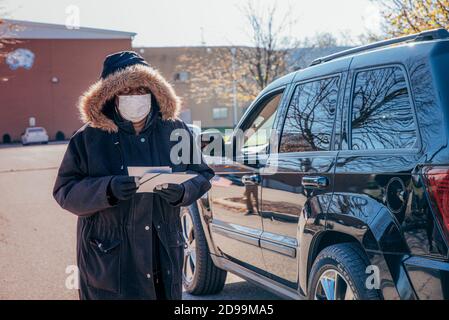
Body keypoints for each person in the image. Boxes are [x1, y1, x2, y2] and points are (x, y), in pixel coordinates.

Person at [53, 51, 214, 300]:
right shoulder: (89, 138)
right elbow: (65, 191)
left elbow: (201, 174)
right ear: (110, 96)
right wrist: (107, 189)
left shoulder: (175, 130)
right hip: (110, 259)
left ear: (154, 92)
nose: (135, 97)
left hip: (162, 253)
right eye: (126, 91)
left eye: (141, 89)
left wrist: (182, 191)